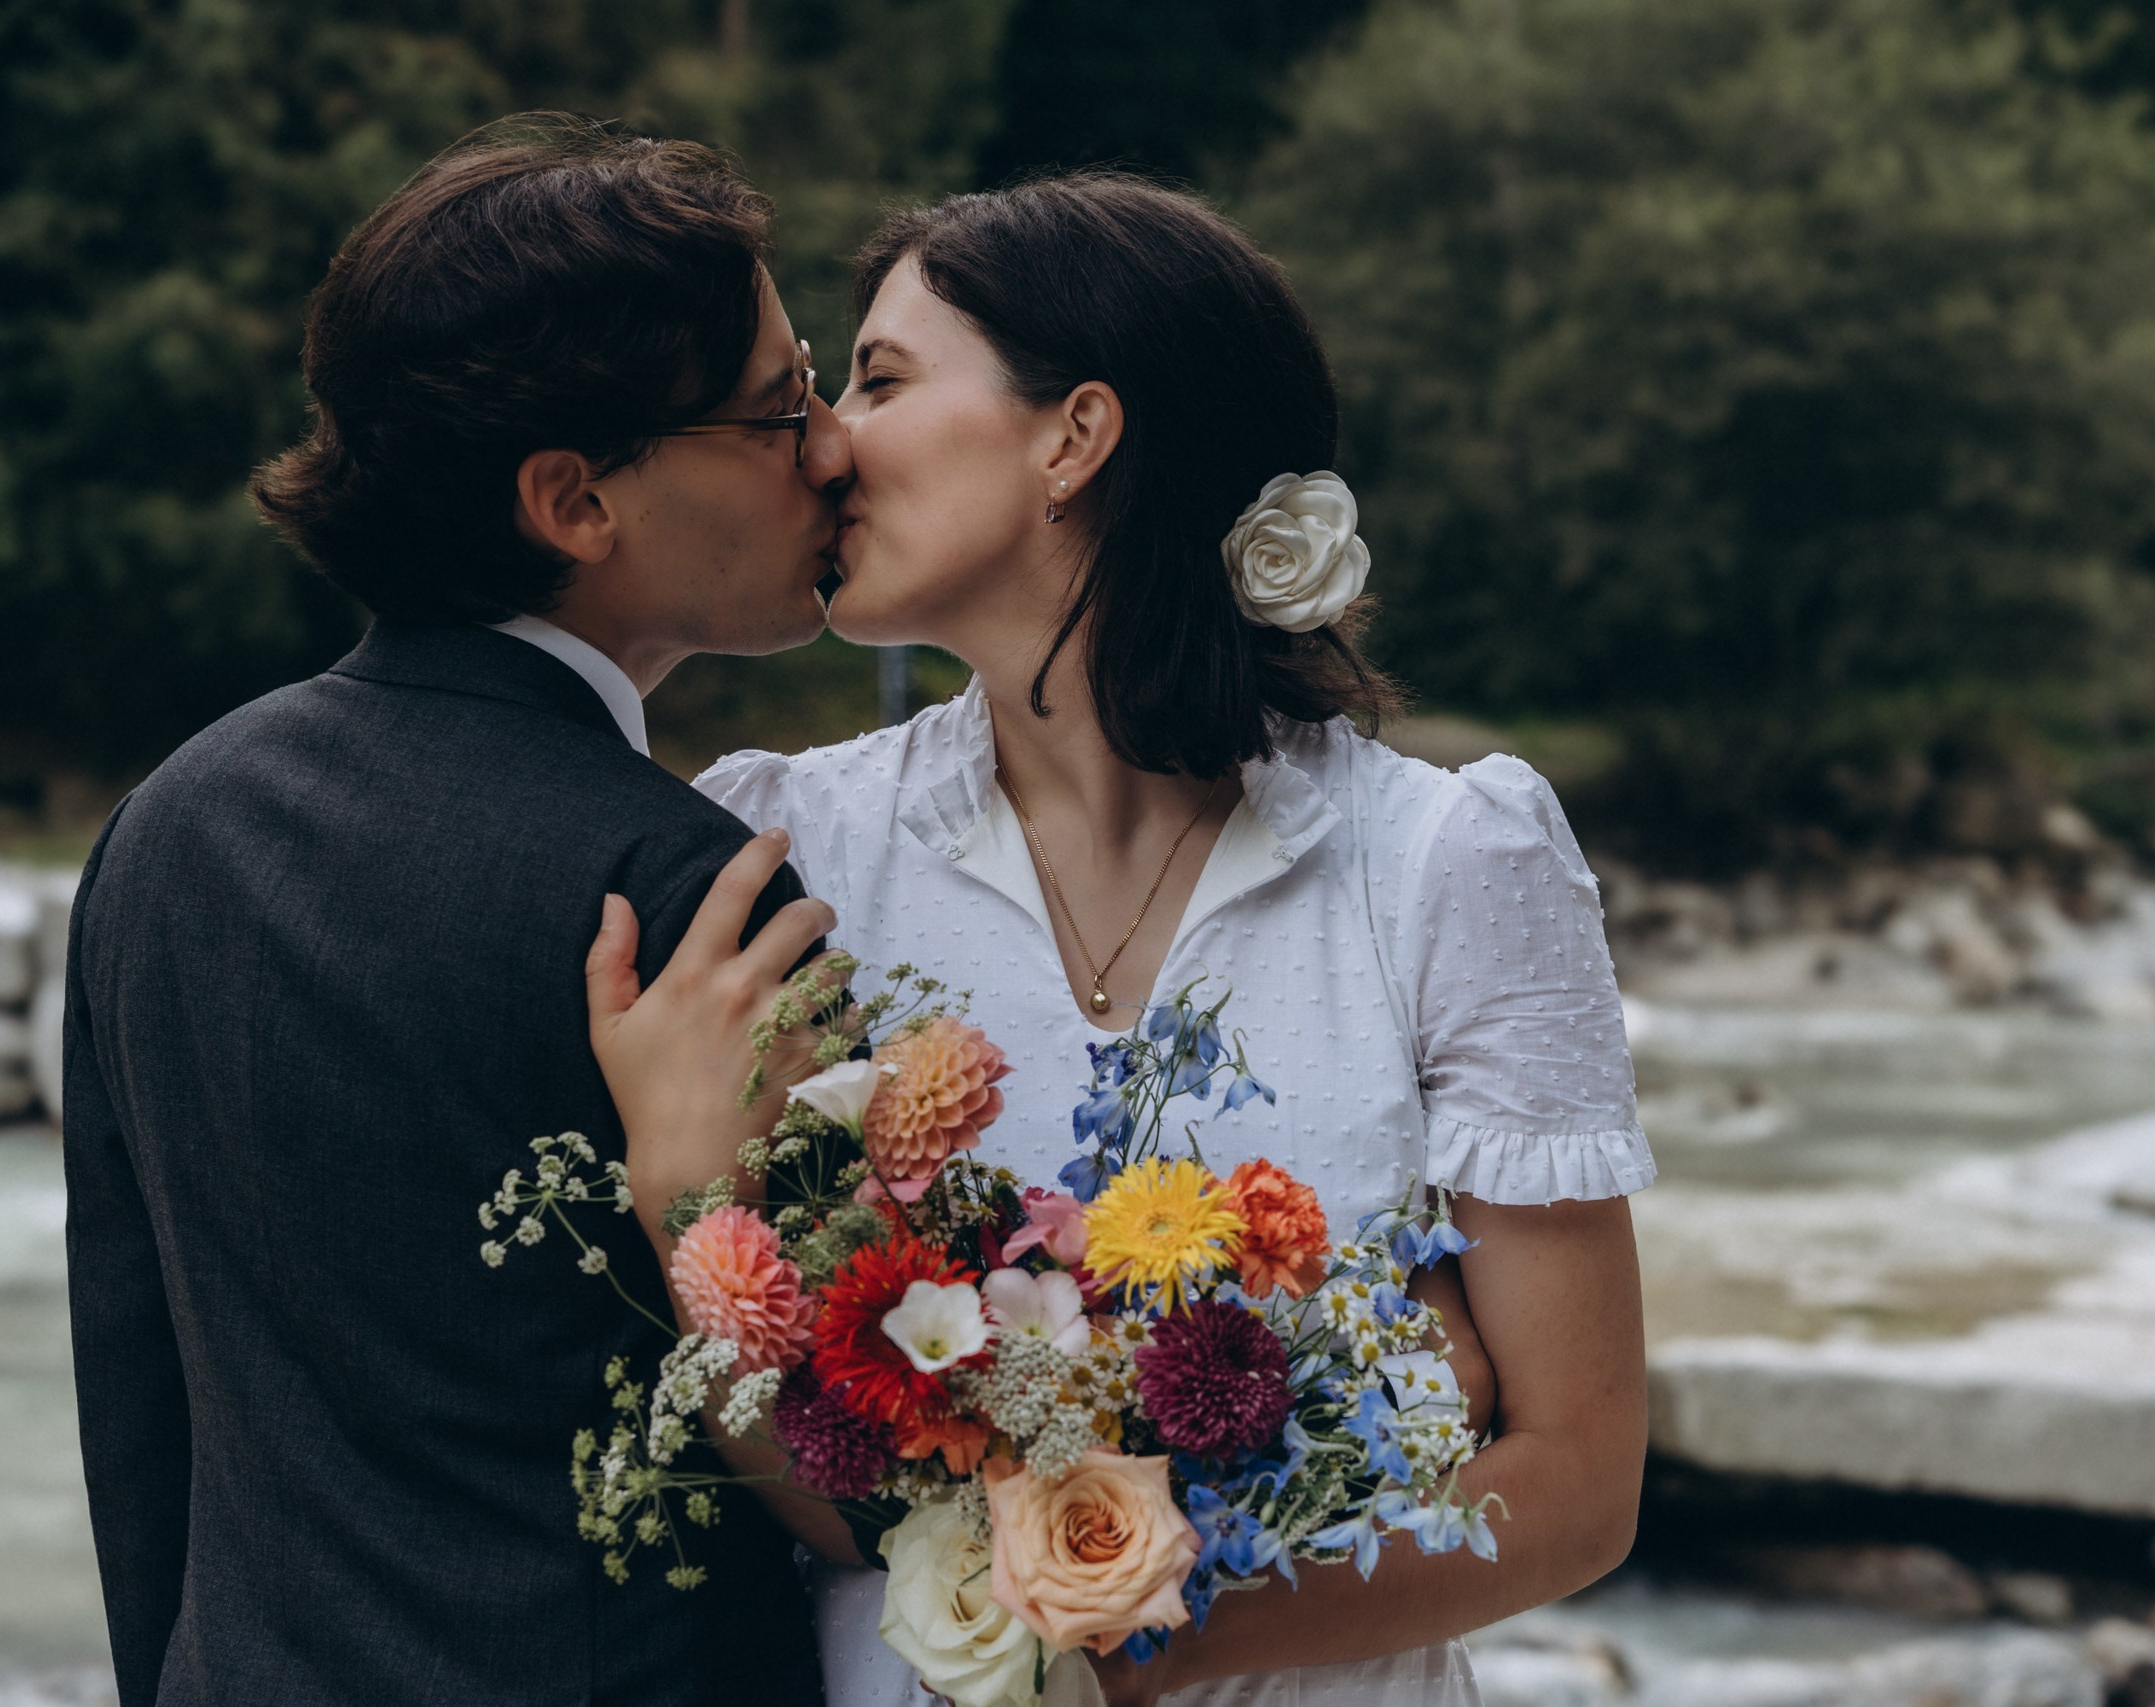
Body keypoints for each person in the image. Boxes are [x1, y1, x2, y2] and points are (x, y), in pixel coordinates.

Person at [591, 174, 1654, 1706]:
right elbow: (813, 1478)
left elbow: (1573, 1485)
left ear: (1073, 438)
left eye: (881, 382)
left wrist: (1118, 1643)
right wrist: (685, 1200)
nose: (824, 445)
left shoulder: (1446, 861)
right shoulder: (785, 850)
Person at [61, 114, 847, 1706]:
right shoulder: (690, 901)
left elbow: (135, 1407)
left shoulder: (166, 825)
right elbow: (861, 1478)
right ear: (573, 500)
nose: (832, 447)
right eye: (779, 410)